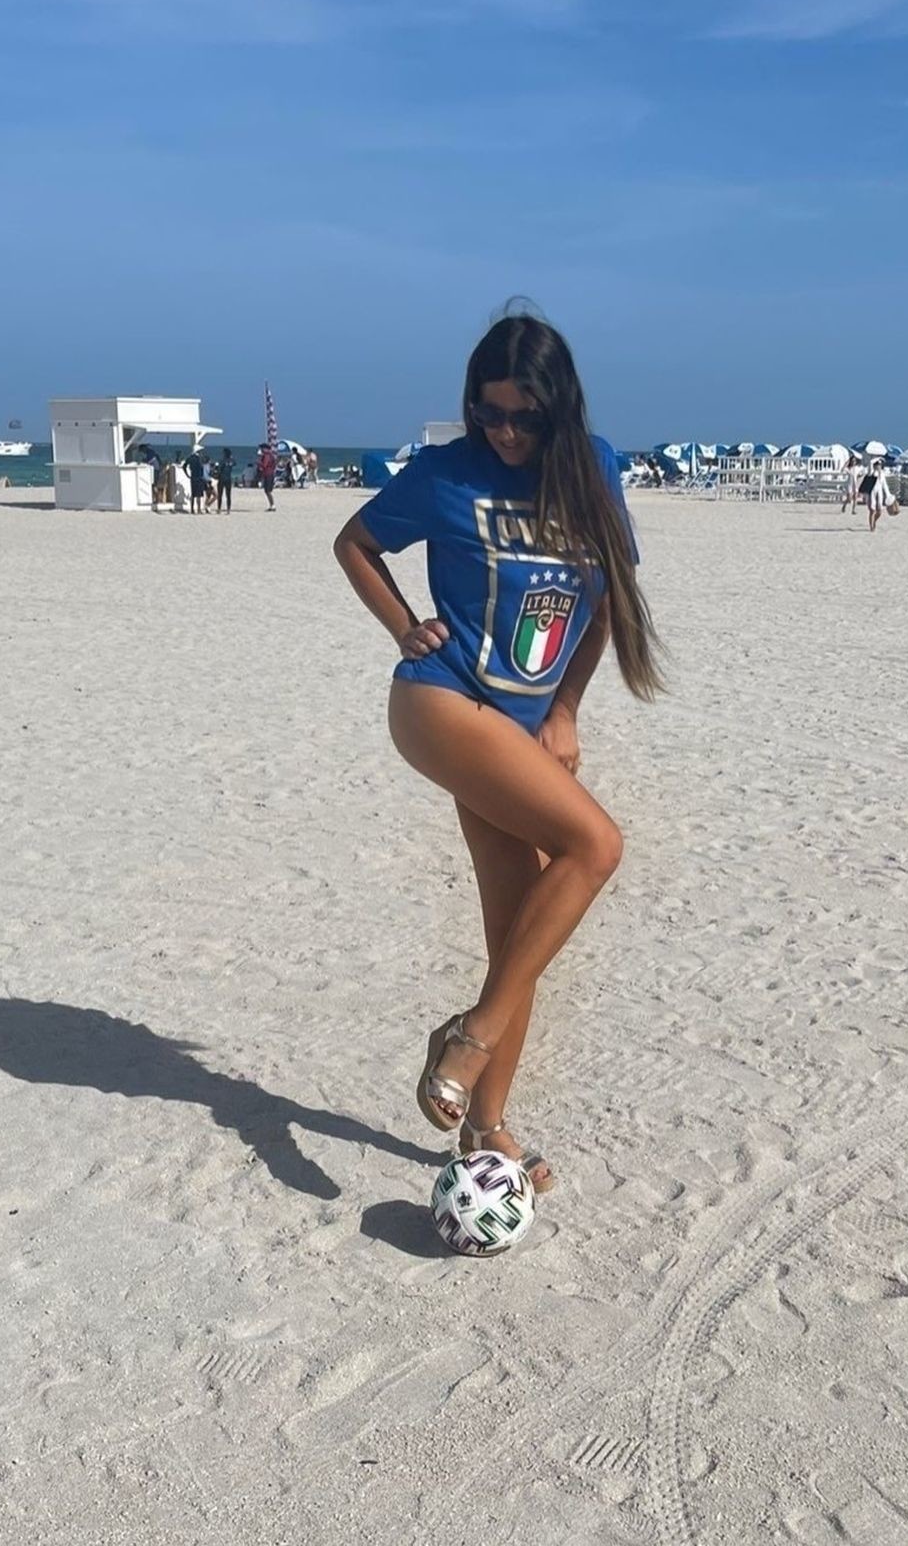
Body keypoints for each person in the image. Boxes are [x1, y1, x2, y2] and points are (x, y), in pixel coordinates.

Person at [332, 310, 662, 1194]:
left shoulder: (591, 470)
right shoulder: (445, 472)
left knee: (518, 935)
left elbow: (603, 606)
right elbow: (355, 543)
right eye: (488, 413)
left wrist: (566, 712)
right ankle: (469, 1038)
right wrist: (404, 626)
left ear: (558, 410)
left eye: (524, 417)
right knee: (596, 846)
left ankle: (485, 1130)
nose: (505, 433)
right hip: (442, 702)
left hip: (523, 725)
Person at [867, 458, 894, 532]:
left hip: (879, 492)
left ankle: (874, 521)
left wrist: (888, 494)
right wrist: (877, 458)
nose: (878, 466)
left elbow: (884, 485)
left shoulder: (882, 473)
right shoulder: (871, 472)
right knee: (872, 510)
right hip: (872, 492)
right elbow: (870, 462)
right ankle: (871, 527)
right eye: (877, 465)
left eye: (880, 465)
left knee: (879, 511)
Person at [185, 446, 209, 514]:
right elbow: (201, 467)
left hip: (193, 477)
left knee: (193, 494)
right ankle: (198, 510)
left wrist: (187, 474)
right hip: (199, 478)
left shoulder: (190, 458)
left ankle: (192, 509)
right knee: (199, 495)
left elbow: (184, 466)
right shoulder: (199, 459)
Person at [215, 446, 235, 515]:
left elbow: (219, 469)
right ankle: (228, 509)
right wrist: (231, 458)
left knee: (220, 495)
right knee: (228, 495)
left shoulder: (222, 461)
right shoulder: (231, 461)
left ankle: (219, 509)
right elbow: (235, 463)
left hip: (222, 478)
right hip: (228, 479)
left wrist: (216, 474)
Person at [258, 442, 277, 510]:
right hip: (270, 474)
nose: (261, 450)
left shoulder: (267, 455)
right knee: (267, 491)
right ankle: (271, 505)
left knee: (268, 491)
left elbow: (264, 465)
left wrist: (259, 462)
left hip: (268, 474)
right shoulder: (271, 455)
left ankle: (273, 505)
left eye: (262, 448)